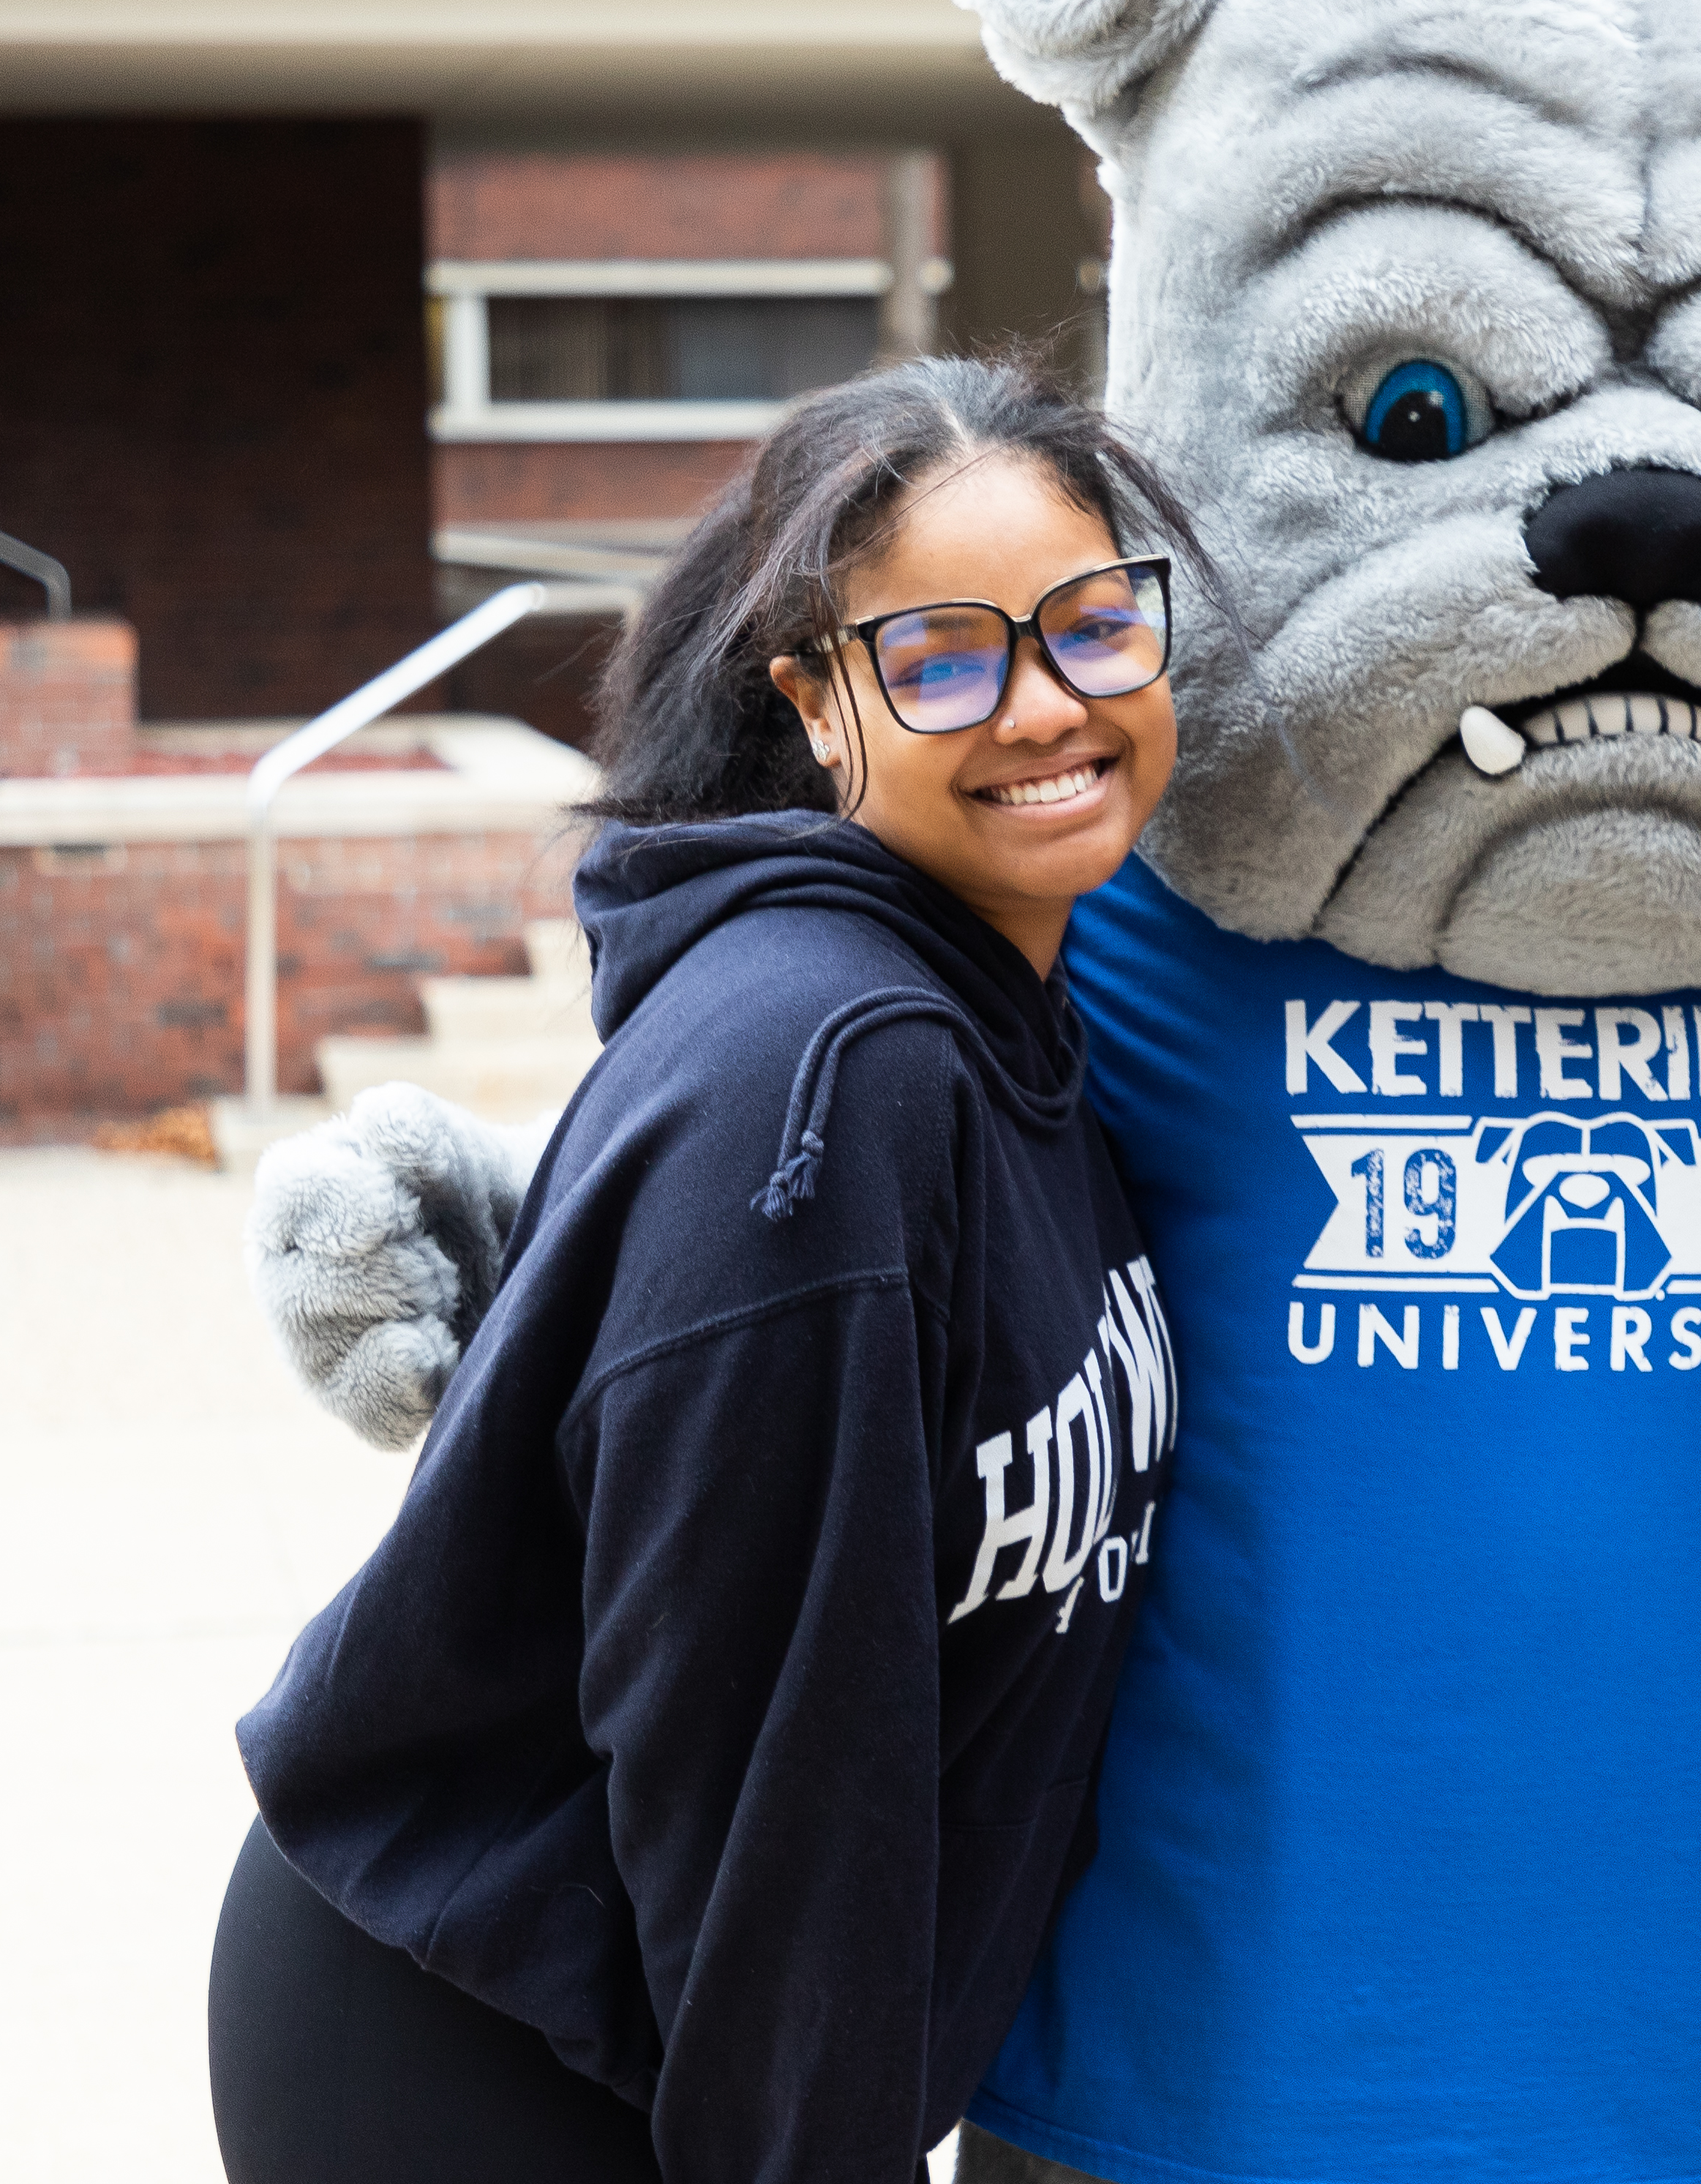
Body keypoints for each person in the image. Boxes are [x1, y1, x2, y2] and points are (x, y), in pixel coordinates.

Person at [211, 359, 1197, 2184]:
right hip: (494, 2028)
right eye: (945, 659)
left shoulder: (1017, 1010)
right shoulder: (843, 1083)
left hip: (676, 2018)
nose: (1045, 703)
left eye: (1088, 624)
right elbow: (766, 1767)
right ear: (820, 705)